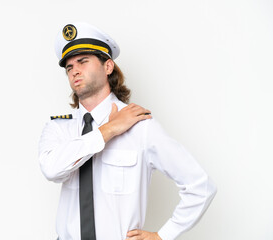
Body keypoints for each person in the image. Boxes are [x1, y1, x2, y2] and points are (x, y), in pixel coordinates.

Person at [39, 22, 217, 240]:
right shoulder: (58, 128)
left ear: (108, 67)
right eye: (69, 67)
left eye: (83, 61)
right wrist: (110, 129)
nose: (74, 70)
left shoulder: (141, 127)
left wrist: (163, 235)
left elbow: (201, 186)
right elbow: (52, 170)